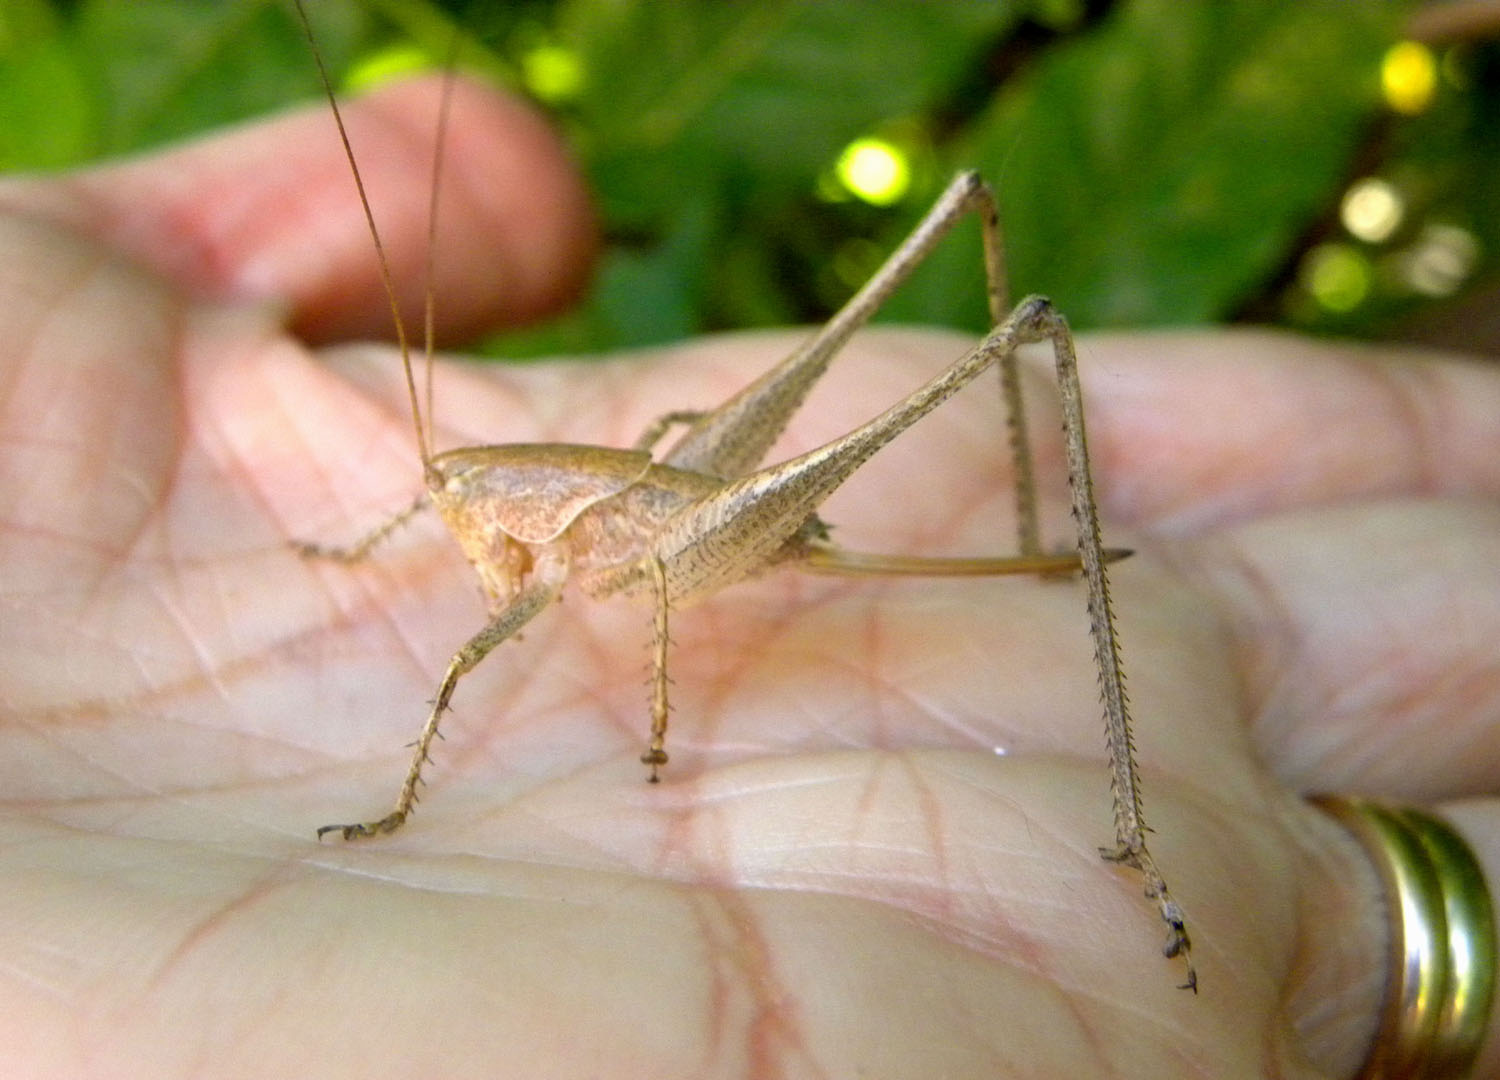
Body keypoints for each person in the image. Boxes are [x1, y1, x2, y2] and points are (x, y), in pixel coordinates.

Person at [0, 75, 1495, 1079]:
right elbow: (555, 497)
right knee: (653, 464)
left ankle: (1125, 813)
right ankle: (1048, 553)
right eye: (440, 503)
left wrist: (589, 744)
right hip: (669, 512)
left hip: (713, 529)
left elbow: (633, 586)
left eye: (455, 500)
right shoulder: (481, 496)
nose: (450, 517)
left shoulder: (562, 561)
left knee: (989, 304)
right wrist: (373, 534)